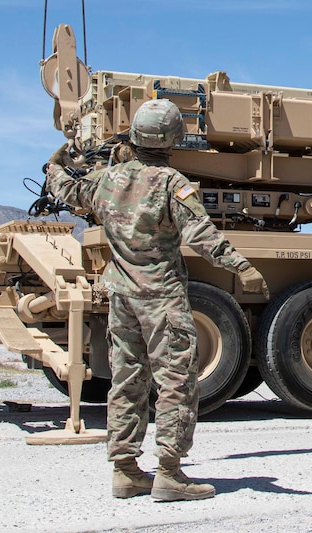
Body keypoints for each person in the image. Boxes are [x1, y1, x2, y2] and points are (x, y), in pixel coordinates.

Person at [45, 98, 269, 500]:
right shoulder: (172, 183)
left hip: (121, 299)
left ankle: (126, 470)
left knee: (126, 382)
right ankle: (169, 473)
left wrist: (55, 162)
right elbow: (200, 235)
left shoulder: (106, 181)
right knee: (176, 383)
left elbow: (65, 188)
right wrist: (243, 268)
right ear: (173, 140)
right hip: (162, 300)